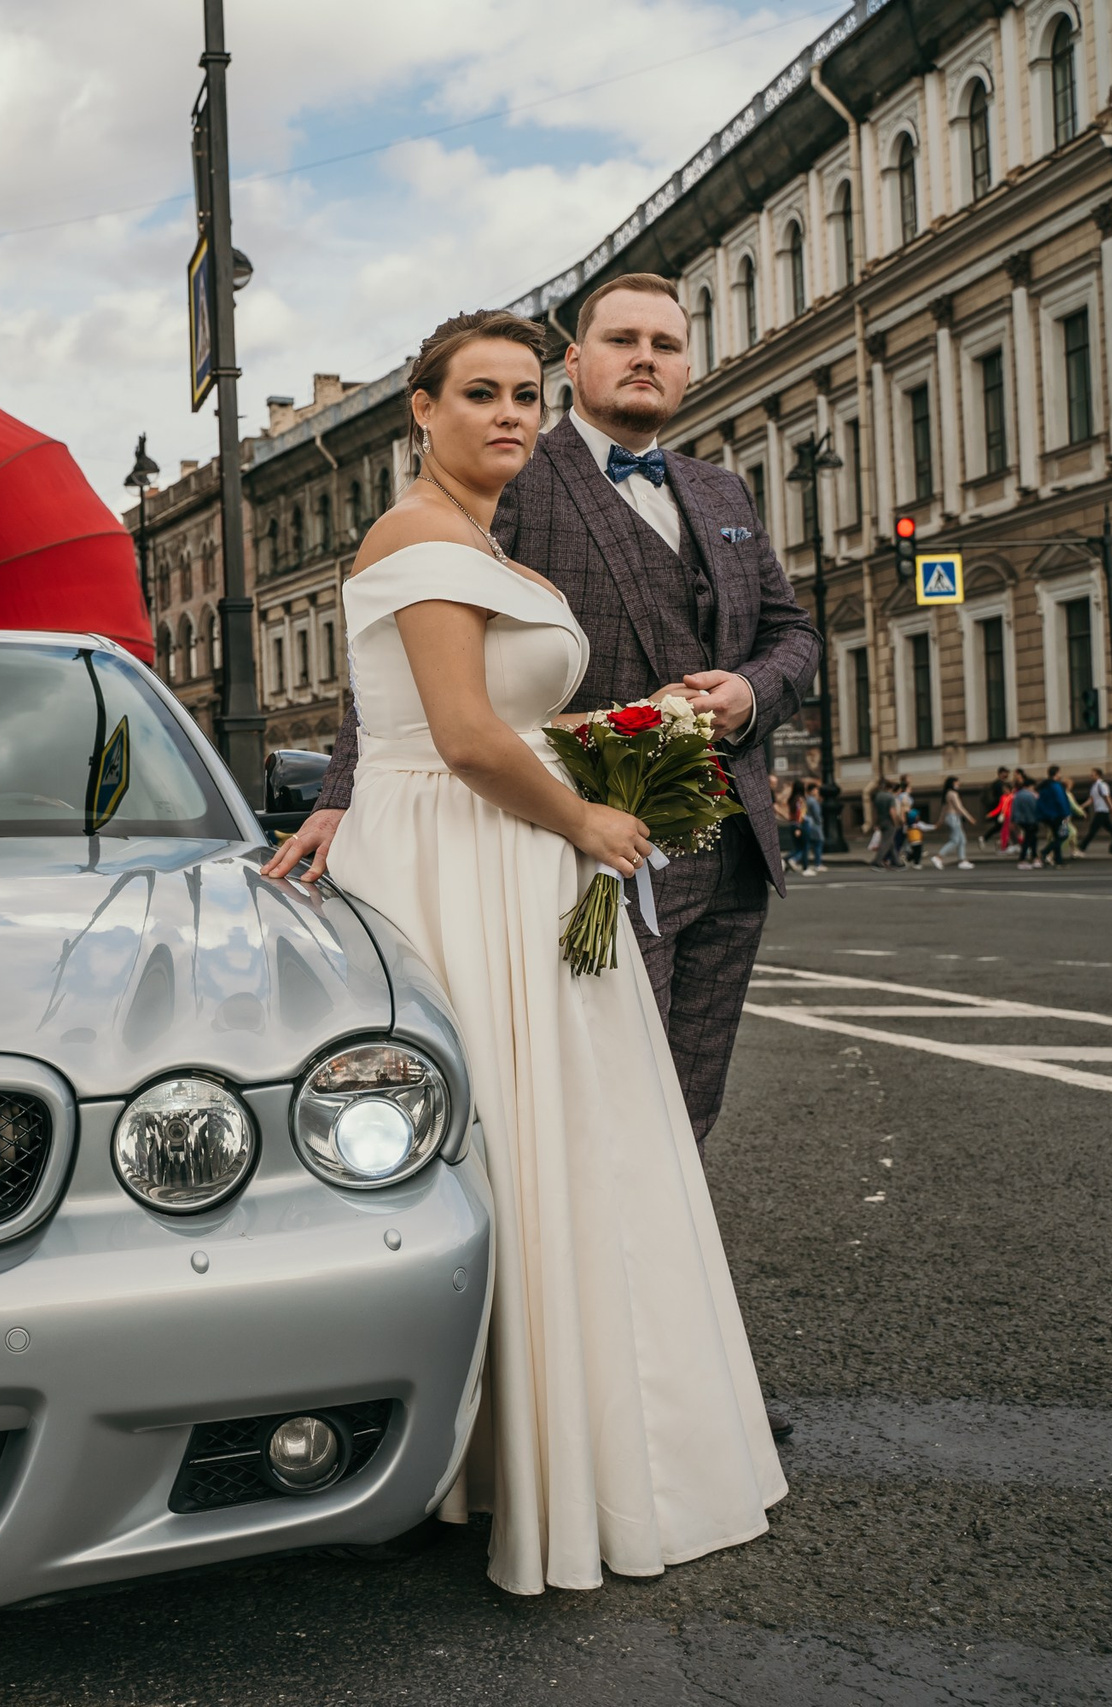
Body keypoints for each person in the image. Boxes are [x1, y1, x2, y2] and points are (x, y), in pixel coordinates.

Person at [268, 274, 820, 1452]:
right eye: (620, 339)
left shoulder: (721, 489)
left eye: (666, 345)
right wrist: (347, 791)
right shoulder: (509, 481)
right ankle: (574, 1386)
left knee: (676, 1115)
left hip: (725, 841)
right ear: (579, 360)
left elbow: (791, 635)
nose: (644, 360)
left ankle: (652, 1364)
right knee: (590, 1120)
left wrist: (746, 693)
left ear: (685, 365)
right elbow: (426, 666)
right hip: (573, 842)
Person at [1036, 764, 1074, 866]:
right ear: (1056, 773)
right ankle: (1045, 852)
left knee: (1057, 836)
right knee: (1063, 835)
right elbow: (1060, 800)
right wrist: (1066, 813)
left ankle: (1059, 860)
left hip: (1048, 816)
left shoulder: (1044, 786)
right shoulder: (1056, 785)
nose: (1060, 775)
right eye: (1059, 773)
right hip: (1059, 815)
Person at [930, 774, 970, 869]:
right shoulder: (953, 794)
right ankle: (938, 857)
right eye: (956, 782)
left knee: (962, 839)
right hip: (953, 818)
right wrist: (969, 817)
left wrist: (940, 820)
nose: (958, 784)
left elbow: (944, 809)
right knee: (955, 840)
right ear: (952, 784)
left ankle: (962, 860)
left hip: (952, 817)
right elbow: (959, 807)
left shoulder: (947, 794)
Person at [1076, 766, 1112, 852]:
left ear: (1098, 775)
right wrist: (1081, 806)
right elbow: (1091, 799)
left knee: (1093, 829)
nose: (1091, 776)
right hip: (1099, 810)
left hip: (1103, 810)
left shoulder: (1102, 785)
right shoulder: (1094, 786)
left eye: (1092, 775)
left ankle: (1082, 846)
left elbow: (1107, 797)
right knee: (1111, 828)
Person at [1010, 773, 1042, 867]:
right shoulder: (1032, 795)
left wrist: (1013, 820)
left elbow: (1014, 809)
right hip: (1031, 820)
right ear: (1030, 786)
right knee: (1029, 839)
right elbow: (1035, 808)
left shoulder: (1017, 795)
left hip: (1021, 820)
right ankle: (1023, 859)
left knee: (1032, 839)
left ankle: (1034, 856)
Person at [797, 779, 828, 873]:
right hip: (815, 825)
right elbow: (817, 814)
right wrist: (820, 821)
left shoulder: (807, 800)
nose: (817, 791)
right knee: (817, 844)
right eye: (816, 789)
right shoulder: (813, 801)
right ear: (811, 791)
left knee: (808, 845)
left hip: (808, 824)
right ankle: (817, 864)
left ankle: (796, 860)